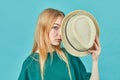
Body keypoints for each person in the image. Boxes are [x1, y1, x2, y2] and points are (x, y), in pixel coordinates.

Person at [18, 8, 101, 80]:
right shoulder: (30, 64)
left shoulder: (70, 56)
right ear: (42, 29)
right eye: (55, 27)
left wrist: (95, 60)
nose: (60, 34)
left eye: (62, 29)